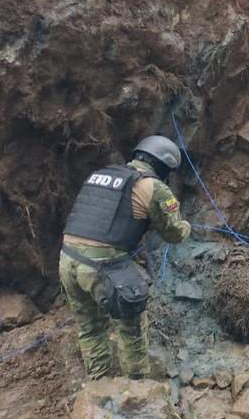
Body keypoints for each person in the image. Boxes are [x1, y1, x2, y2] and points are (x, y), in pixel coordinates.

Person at [59, 135, 192, 379]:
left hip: (67, 259)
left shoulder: (100, 174)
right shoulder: (154, 187)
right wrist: (187, 227)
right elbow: (173, 234)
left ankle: (99, 384)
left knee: (90, 328)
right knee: (132, 327)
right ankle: (137, 388)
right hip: (103, 266)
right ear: (163, 166)